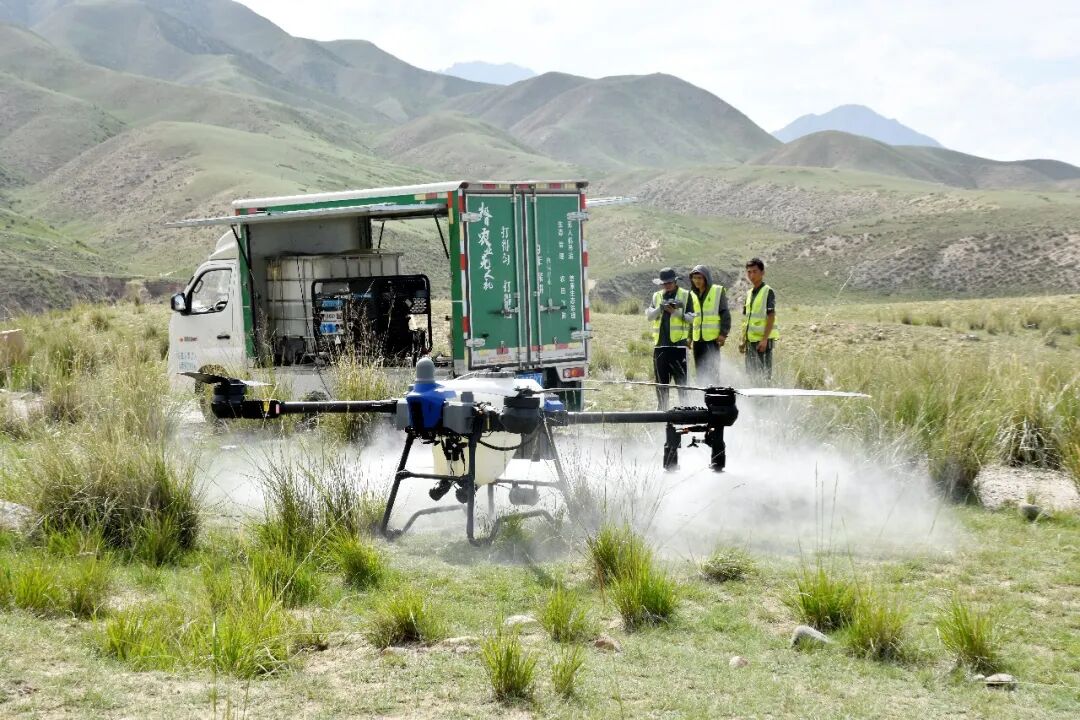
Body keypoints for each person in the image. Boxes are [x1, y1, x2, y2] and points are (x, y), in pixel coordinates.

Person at [645, 267, 698, 410]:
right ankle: (662, 412)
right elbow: (649, 317)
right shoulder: (656, 296)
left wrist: (675, 312)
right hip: (660, 347)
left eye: (669, 282)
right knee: (661, 385)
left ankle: (685, 412)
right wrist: (661, 308)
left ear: (675, 281)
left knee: (682, 386)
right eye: (664, 283)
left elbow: (691, 319)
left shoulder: (686, 295)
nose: (667, 285)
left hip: (678, 347)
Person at [689, 265, 731, 386]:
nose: (697, 281)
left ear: (706, 278)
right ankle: (702, 396)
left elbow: (725, 313)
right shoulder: (691, 294)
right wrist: (689, 337)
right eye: (694, 278)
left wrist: (723, 334)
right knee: (700, 372)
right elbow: (691, 318)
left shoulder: (717, 291)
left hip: (712, 340)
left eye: (700, 278)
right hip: (697, 340)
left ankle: (715, 396)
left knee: (713, 372)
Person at [740, 258, 778, 381]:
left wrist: (764, 339)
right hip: (750, 341)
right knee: (751, 375)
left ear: (762, 273)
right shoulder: (749, 294)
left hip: (762, 342)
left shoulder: (767, 291)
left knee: (764, 376)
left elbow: (771, 317)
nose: (751, 275)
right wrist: (743, 340)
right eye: (749, 272)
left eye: (755, 271)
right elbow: (746, 320)